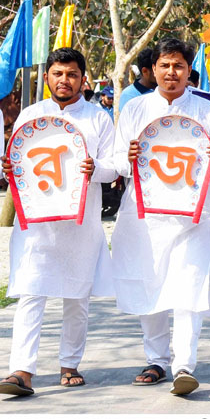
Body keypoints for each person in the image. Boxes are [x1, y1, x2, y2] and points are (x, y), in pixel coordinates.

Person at [110, 38, 210, 396]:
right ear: (153, 70)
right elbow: (118, 162)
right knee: (148, 282)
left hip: (192, 217)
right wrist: (128, 156)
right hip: (145, 216)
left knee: (187, 288)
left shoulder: (207, 111)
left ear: (188, 70)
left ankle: (183, 365)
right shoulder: (135, 110)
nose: (171, 72)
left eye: (178, 66)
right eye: (164, 65)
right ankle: (156, 360)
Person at [0, 49, 117, 397]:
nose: (63, 80)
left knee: (77, 296)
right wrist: (7, 170)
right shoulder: (30, 116)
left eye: (71, 74)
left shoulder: (99, 119)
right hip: (36, 224)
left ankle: (70, 364)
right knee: (31, 291)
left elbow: (114, 168)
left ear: (83, 79)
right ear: (47, 77)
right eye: (57, 73)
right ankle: (21, 370)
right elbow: (13, 163)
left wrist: (95, 168)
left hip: (81, 225)